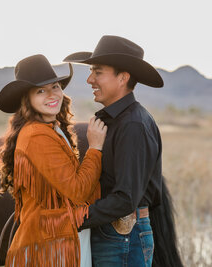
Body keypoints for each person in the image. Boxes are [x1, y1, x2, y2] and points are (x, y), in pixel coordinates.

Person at [0, 54, 107, 266]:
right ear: (26, 99)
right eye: (40, 91)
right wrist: (95, 148)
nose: (51, 94)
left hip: (56, 241)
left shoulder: (51, 129)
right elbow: (78, 190)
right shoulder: (37, 135)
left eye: (54, 86)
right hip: (50, 249)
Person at [64, 35, 164, 266]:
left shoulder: (133, 125)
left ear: (123, 78)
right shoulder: (114, 121)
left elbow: (125, 199)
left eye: (98, 72)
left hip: (122, 236)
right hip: (114, 233)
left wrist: (71, 219)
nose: (90, 79)